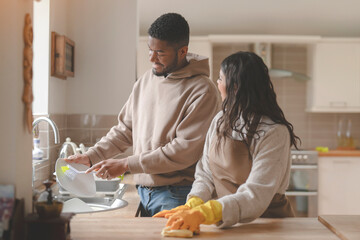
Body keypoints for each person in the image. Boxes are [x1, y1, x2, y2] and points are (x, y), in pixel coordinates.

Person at [65, 13, 220, 217]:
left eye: (160, 52)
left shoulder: (202, 90)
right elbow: (124, 130)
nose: (152, 58)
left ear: (182, 51)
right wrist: (91, 156)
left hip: (178, 194)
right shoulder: (145, 81)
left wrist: (126, 164)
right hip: (144, 192)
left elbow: (183, 151)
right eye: (150, 50)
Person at [154, 51, 300, 233]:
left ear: (235, 86)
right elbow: (205, 173)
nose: (217, 84)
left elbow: (256, 195)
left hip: (267, 226)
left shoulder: (273, 132)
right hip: (229, 223)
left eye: (220, 79)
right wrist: (193, 203)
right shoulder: (220, 120)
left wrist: (206, 212)